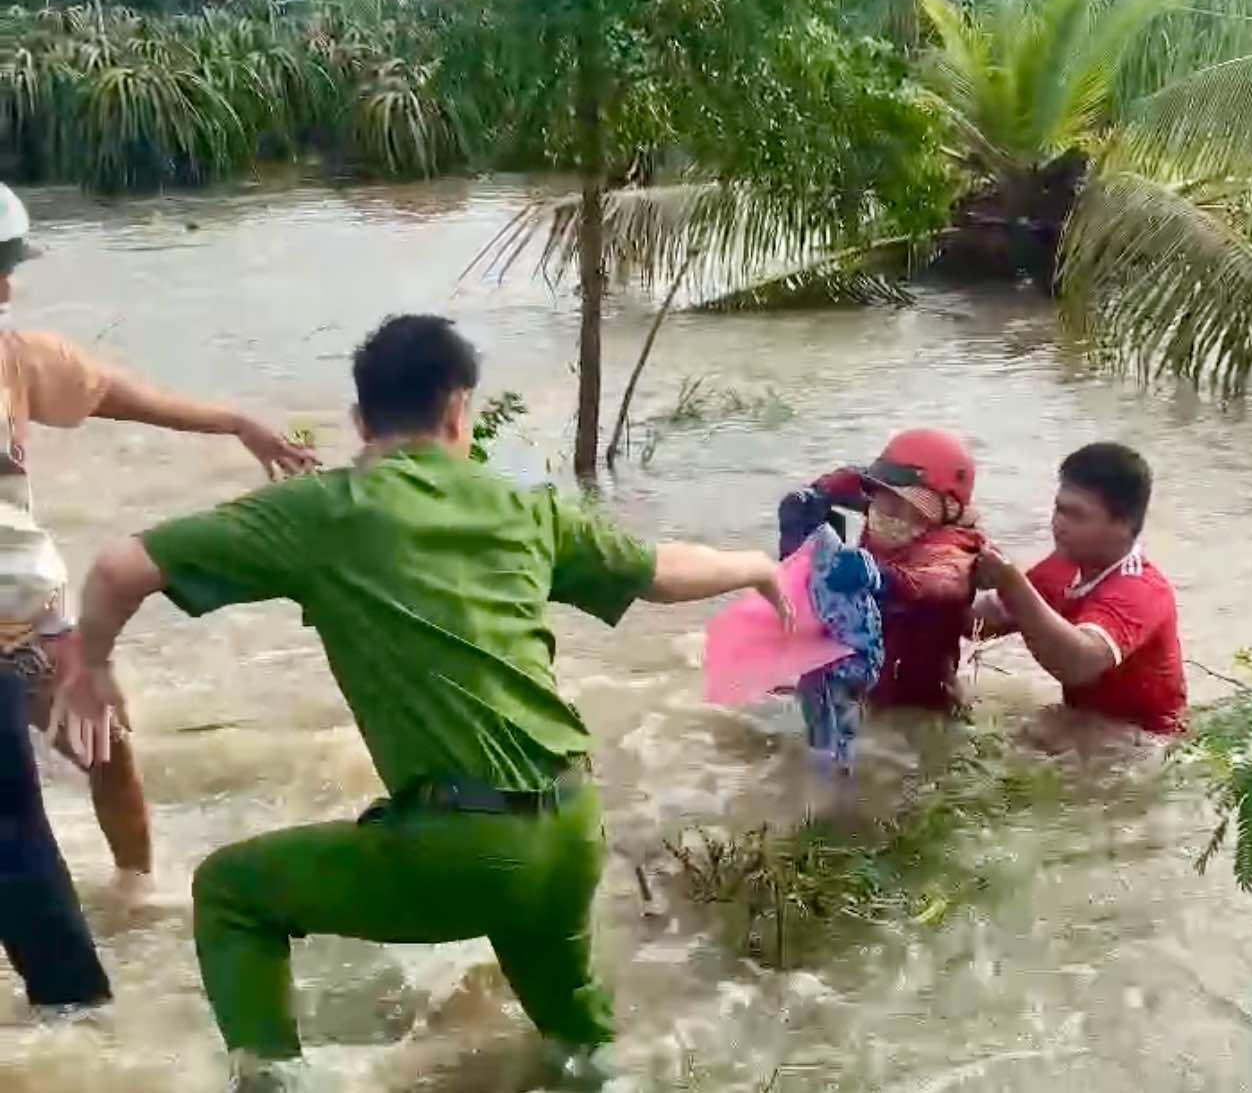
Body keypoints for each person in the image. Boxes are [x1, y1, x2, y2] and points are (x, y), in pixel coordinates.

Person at [54, 314, 790, 1087]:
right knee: (581, 1047)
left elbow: (116, 566)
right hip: (571, 828)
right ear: (458, 410)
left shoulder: (329, 509)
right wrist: (754, 566)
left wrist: (92, 665)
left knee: (231, 892)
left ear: (359, 421)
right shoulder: (524, 508)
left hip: (462, 847)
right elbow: (661, 571)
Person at [0, 182, 313, 1012]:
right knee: (15, 831)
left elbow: (116, 394)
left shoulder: (15, 357)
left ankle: (135, 891)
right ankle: (76, 1013)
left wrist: (235, 421)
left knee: (110, 744)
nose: (4, 288)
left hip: (30, 613)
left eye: (8, 268)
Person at [777, 428, 985, 746]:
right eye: (880, 495)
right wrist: (808, 504)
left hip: (914, 714)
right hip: (858, 683)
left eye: (904, 502)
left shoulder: (953, 547)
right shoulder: (886, 513)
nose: (885, 510)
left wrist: (877, 576)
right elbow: (844, 482)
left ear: (944, 510)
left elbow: (941, 583)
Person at [972, 442, 1186, 735]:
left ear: (1123, 524)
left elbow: (1077, 663)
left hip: (1146, 740)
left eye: (1077, 515)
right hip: (1086, 724)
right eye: (1059, 509)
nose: (1059, 524)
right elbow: (979, 624)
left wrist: (1011, 583)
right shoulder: (1064, 565)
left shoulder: (1142, 590)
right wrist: (951, 563)